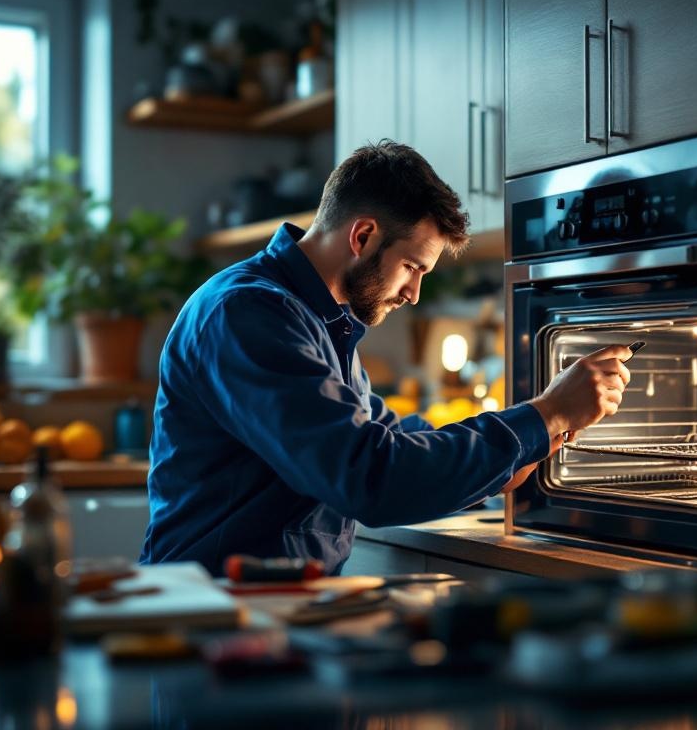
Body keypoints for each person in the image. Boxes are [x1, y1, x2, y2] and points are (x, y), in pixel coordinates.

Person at [139, 140, 632, 576]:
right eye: (413, 267)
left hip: (271, 605)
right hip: (213, 616)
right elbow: (368, 476)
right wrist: (546, 414)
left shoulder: (320, 320)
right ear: (363, 236)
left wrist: (505, 463)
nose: (414, 293)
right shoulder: (249, 312)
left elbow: (390, 436)